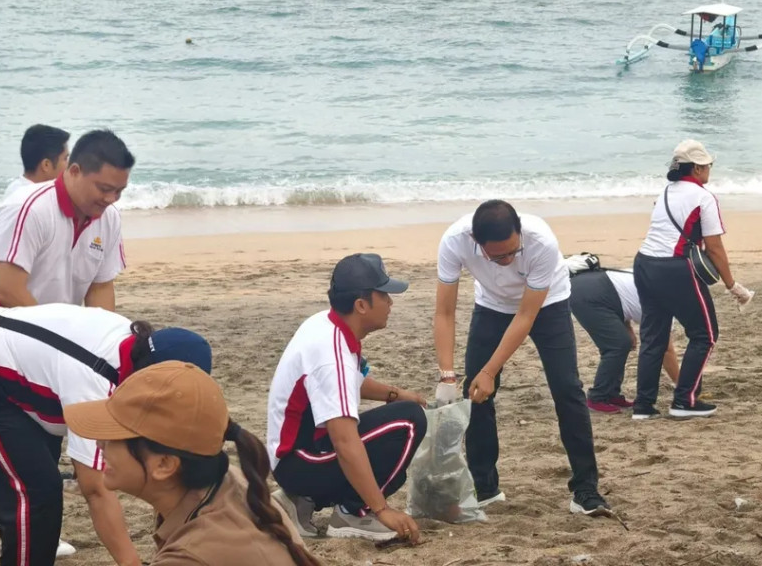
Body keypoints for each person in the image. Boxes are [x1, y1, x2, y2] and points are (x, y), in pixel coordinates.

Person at [0, 303, 212, 566]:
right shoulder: (95, 383)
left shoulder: (131, 343)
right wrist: (130, 562)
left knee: (6, 473)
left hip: (11, 374)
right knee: (35, 492)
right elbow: (95, 489)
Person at [433, 200, 610, 516]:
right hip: (491, 305)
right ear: (476, 241)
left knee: (567, 389)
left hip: (548, 304)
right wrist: (447, 373)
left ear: (519, 231)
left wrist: (490, 370)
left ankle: (586, 490)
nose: (508, 260)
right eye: (497, 256)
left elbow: (526, 316)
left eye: (513, 252)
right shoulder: (454, 241)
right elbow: (444, 312)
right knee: (475, 393)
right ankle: (484, 488)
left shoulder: (541, 241)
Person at [65, 360, 321, 566]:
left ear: (164, 464)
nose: (99, 443)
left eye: (113, 437)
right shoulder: (226, 481)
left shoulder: (193, 554)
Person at [267, 253, 427, 543]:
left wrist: (396, 394)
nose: (390, 303)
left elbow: (349, 382)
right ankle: (353, 514)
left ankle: (297, 501)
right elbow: (344, 441)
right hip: (299, 461)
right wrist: (381, 509)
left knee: (402, 416)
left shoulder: (326, 323)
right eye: (384, 295)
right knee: (409, 423)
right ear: (361, 305)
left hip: (294, 455)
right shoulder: (332, 354)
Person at [632, 140, 751, 420]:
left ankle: (643, 406)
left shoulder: (665, 192)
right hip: (676, 268)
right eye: (708, 165)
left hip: (644, 263)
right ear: (697, 168)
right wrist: (732, 285)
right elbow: (714, 247)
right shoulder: (703, 197)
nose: (710, 169)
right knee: (705, 335)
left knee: (653, 338)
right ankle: (684, 401)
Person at [0, 129, 132, 312]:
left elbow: (100, 288)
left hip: (47, 320)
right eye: (104, 189)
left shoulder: (109, 218)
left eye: (119, 191)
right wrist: (56, 328)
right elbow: (8, 291)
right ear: (75, 171)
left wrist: (103, 329)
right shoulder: (28, 207)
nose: (111, 199)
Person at [569, 267, 680, 414]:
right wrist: (682, 386)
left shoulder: (659, 278)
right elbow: (665, 349)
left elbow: (623, 296)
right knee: (617, 345)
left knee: (623, 342)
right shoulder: (665, 303)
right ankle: (597, 397)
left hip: (596, 287)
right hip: (587, 295)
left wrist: (627, 327)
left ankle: (611, 394)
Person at [3, 125, 71, 200]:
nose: (69, 165)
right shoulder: (39, 200)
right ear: (46, 165)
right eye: (65, 158)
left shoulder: (14, 188)